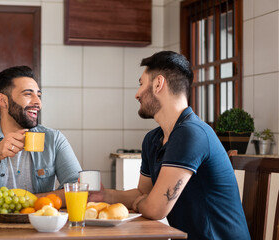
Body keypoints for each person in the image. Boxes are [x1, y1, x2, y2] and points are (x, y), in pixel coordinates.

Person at [90, 51, 250, 239]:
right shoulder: (153, 139)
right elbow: (144, 193)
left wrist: (144, 203)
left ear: (158, 84)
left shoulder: (191, 133)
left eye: (141, 84)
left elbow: (156, 209)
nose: (137, 94)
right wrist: (104, 196)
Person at [0, 66, 82, 206]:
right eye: (28, 94)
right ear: (3, 101)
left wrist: (25, 202)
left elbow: (78, 191)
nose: (38, 103)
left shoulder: (54, 139)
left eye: (38, 96)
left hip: (40, 226)